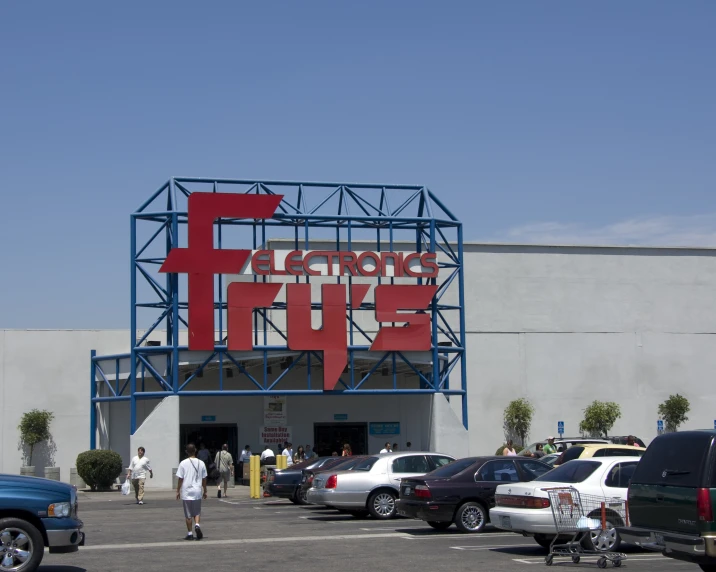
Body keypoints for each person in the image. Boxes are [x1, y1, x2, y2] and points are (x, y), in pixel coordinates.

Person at [175, 443, 208, 541]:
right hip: (197, 490)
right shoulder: (201, 463)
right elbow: (204, 479)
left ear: (186, 451)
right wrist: (205, 490)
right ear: (195, 450)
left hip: (186, 491)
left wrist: (178, 490)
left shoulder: (183, 463)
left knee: (188, 514)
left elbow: (180, 478)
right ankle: (197, 525)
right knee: (197, 511)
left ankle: (189, 533)